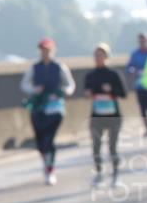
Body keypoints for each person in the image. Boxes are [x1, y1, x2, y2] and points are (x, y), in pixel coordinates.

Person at [20, 37, 76, 185]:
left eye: (48, 50)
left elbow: (70, 85)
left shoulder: (59, 67)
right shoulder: (34, 68)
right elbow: (24, 84)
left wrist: (64, 91)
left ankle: (50, 169)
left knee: (49, 139)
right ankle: (46, 162)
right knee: (40, 142)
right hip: (39, 107)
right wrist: (34, 89)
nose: (45, 53)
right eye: (43, 51)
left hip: (55, 108)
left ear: (53, 51)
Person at [85, 43, 127, 188]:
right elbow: (86, 93)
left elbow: (123, 93)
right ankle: (99, 173)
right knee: (96, 146)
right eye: (96, 55)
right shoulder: (90, 76)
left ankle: (115, 175)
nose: (98, 58)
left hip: (113, 115)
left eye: (101, 55)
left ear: (106, 57)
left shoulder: (113, 74)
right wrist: (89, 94)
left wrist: (111, 90)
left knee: (112, 147)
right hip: (97, 115)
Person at [124, 32, 147, 135]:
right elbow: (128, 68)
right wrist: (133, 71)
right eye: (140, 41)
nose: (142, 43)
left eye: (144, 40)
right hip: (140, 86)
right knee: (142, 108)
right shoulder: (135, 54)